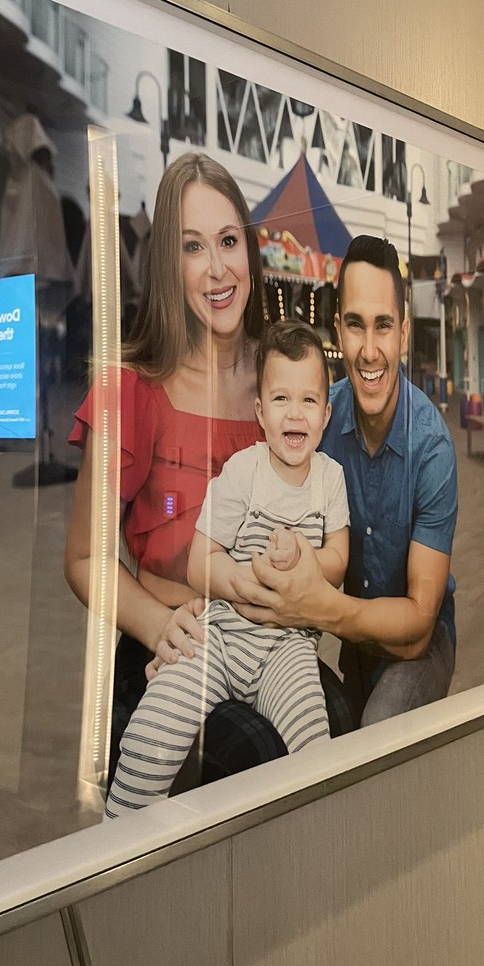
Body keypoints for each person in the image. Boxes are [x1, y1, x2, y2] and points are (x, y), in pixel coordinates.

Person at [64, 154, 353, 790]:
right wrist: (155, 624)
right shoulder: (131, 391)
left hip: (272, 644)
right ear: (170, 263)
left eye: (228, 241)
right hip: (175, 647)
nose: (218, 268)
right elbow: (85, 559)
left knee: (342, 741)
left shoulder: (283, 388)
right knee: (256, 764)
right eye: (194, 247)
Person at [105, 321, 349, 817]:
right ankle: (117, 833)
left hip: (286, 649)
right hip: (222, 635)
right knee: (155, 727)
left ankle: (319, 843)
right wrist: (245, 580)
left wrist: (306, 559)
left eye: (308, 401)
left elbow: (339, 560)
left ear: (325, 414)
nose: (294, 413)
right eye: (281, 399)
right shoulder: (243, 470)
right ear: (260, 411)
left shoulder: (330, 479)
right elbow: (200, 561)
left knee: (315, 745)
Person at [233, 235, 458, 727]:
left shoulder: (432, 448)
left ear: (402, 333)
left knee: (376, 729)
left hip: (417, 646)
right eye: (355, 325)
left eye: (383, 327)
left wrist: (319, 607)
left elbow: (418, 625)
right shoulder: (316, 421)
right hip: (346, 636)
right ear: (337, 329)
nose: (370, 350)